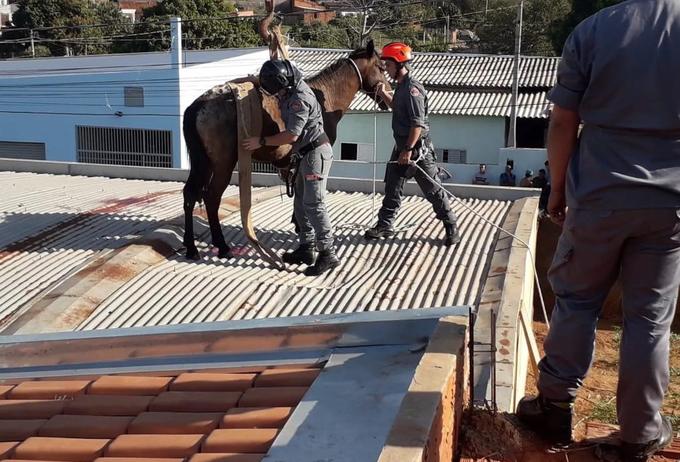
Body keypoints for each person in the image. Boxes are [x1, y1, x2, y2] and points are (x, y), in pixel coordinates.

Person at [516, 1, 680, 461]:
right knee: (650, 320)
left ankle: (553, 407)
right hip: (670, 205)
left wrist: (557, 188)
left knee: (578, 300)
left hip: (599, 196)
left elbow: (562, 120)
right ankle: (639, 433)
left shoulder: (595, 30)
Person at [243, 59, 339, 276]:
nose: (276, 94)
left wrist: (262, 141)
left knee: (314, 204)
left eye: (277, 90)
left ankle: (328, 253)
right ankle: (306, 248)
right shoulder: (289, 88)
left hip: (316, 154)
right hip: (305, 153)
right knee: (301, 204)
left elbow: (291, 135)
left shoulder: (299, 99)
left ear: (283, 83)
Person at [364, 42, 460, 246]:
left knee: (433, 190)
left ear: (399, 64)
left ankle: (451, 225)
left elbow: (417, 124)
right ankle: (385, 225)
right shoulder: (401, 87)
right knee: (392, 187)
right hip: (402, 147)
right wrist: (384, 94)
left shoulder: (412, 89)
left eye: (389, 65)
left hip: (417, 151)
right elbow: (398, 108)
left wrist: (407, 151)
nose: (386, 69)